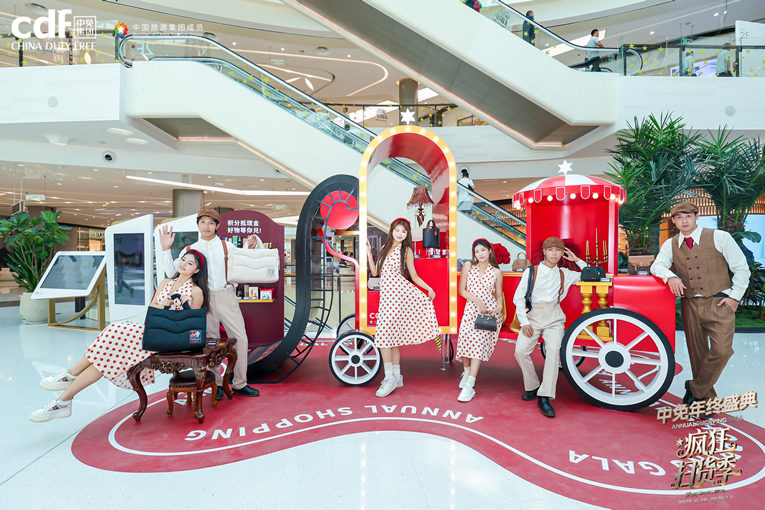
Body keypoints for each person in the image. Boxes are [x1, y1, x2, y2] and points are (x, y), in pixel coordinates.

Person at [30, 250, 209, 422]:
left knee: (114, 330)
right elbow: (153, 310)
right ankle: (63, 401)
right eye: (183, 260)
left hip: (172, 340)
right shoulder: (165, 283)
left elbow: (193, 325)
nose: (184, 264)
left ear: (197, 270)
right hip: (154, 331)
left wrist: (186, 305)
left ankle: (70, 376)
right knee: (103, 358)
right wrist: (163, 304)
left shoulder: (195, 291)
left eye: (190, 263)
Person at [651, 202, 749, 418]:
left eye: (688, 216)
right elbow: (657, 266)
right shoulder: (671, 244)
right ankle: (705, 403)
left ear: (697, 216)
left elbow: (741, 268)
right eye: (678, 217)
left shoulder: (719, 237)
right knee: (698, 355)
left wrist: (734, 298)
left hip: (719, 302)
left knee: (722, 351)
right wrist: (671, 276)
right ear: (674, 221)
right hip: (690, 305)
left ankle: (694, 389)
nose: (684, 220)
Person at [160, 209, 260, 399]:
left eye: (211, 222)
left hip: (227, 295)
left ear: (217, 225)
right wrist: (166, 249)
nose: (206, 226)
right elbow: (173, 272)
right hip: (203, 297)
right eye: (203, 222)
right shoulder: (191, 249)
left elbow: (244, 263)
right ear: (198, 224)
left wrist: (251, 247)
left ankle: (240, 383)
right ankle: (216, 384)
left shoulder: (227, 246)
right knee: (211, 342)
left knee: (240, 339)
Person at [366, 218, 440, 397]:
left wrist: (428, 288)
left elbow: (414, 276)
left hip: (398, 296)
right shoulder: (384, 249)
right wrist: (368, 252)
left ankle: (389, 378)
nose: (400, 234)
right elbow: (375, 272)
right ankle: (397, 376)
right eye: (397, 230)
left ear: (407, 234)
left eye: (404, 231)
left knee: (383, 336)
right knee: (391, 339)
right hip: (387, 298)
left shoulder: (406, 250)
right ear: (391, 231)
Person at [513, 237, 586, 418]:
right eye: (551, 249)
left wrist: (577, 260)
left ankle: (545, 396)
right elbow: (518, 298)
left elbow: (593, 275)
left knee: (553, 351)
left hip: (554, 317)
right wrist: (525, 322)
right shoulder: (531, 271)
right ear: (544, 251)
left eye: (558, 250)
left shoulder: (565, 274)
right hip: (533, 316)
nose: (554, 253)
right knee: (520, 351)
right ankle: (533, 386)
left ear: (563, 253)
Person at [456, 239, 503, 403]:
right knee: (465, 339)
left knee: (478, 342)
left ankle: (470, 384)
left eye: (483, 250)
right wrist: (477, 301)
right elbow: (462, 290)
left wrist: (499, 306)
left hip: (488, 313)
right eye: (477, 251)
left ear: (489, 251)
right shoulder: (468, 266)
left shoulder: (496, 272)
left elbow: (499, 296)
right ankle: (466, 372)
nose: (480, 254)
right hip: (471, 309)